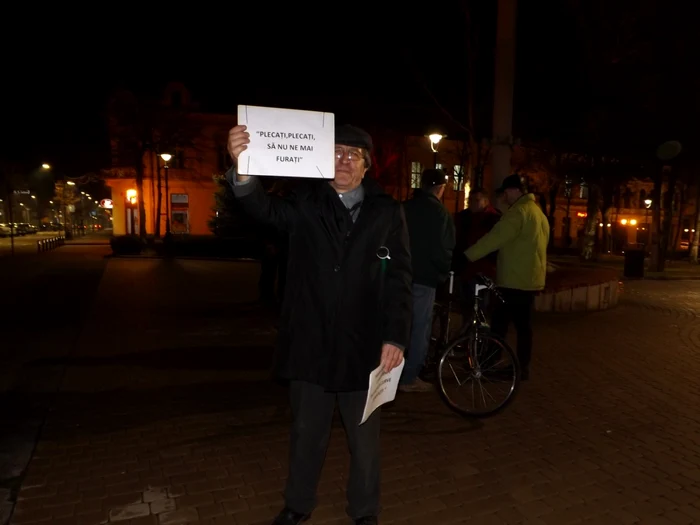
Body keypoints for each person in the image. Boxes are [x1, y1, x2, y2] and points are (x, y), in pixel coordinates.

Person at [226, 123, 412, 525]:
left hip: (364, 349)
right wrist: (243, 169)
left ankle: (364, 512)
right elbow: (263, 208)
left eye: (354, 155)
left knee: (365, 443)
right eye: (337, 151)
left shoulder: (386, 211)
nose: (344, 160)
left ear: (366, 167)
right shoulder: (305, 202)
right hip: (310, 344)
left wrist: (395, 336)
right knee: (307, 435)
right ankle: (298, 505)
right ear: (322, 159)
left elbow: (399, 280)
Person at [464, 174, 549, 380]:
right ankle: (521, 368)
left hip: (513, 280)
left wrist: (467, 256)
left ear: (514, 191)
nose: (504, 197)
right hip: (530, 280)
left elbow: (494, 239)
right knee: (523, 327)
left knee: (500, 324)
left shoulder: (517, 213)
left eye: (506, 192)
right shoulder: (538, 213)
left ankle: (488, 364)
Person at [399, 169, 455, 392]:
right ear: (440, 189)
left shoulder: (404, 208)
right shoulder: (440, 213)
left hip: (400, 276)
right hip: (424, 277)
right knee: (420, 327)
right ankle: (409, 377)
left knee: (398, 324)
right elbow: (444, 249)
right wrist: (442, 273)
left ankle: (388, 374)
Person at [452, 188, 501, 307]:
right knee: (467, 303)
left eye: (477, 200)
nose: (472, 203)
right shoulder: (463, 217)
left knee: (479, 303)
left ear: (486, 201)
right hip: (466, 267)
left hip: (484, 269)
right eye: (470, 200)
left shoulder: (493, 218)